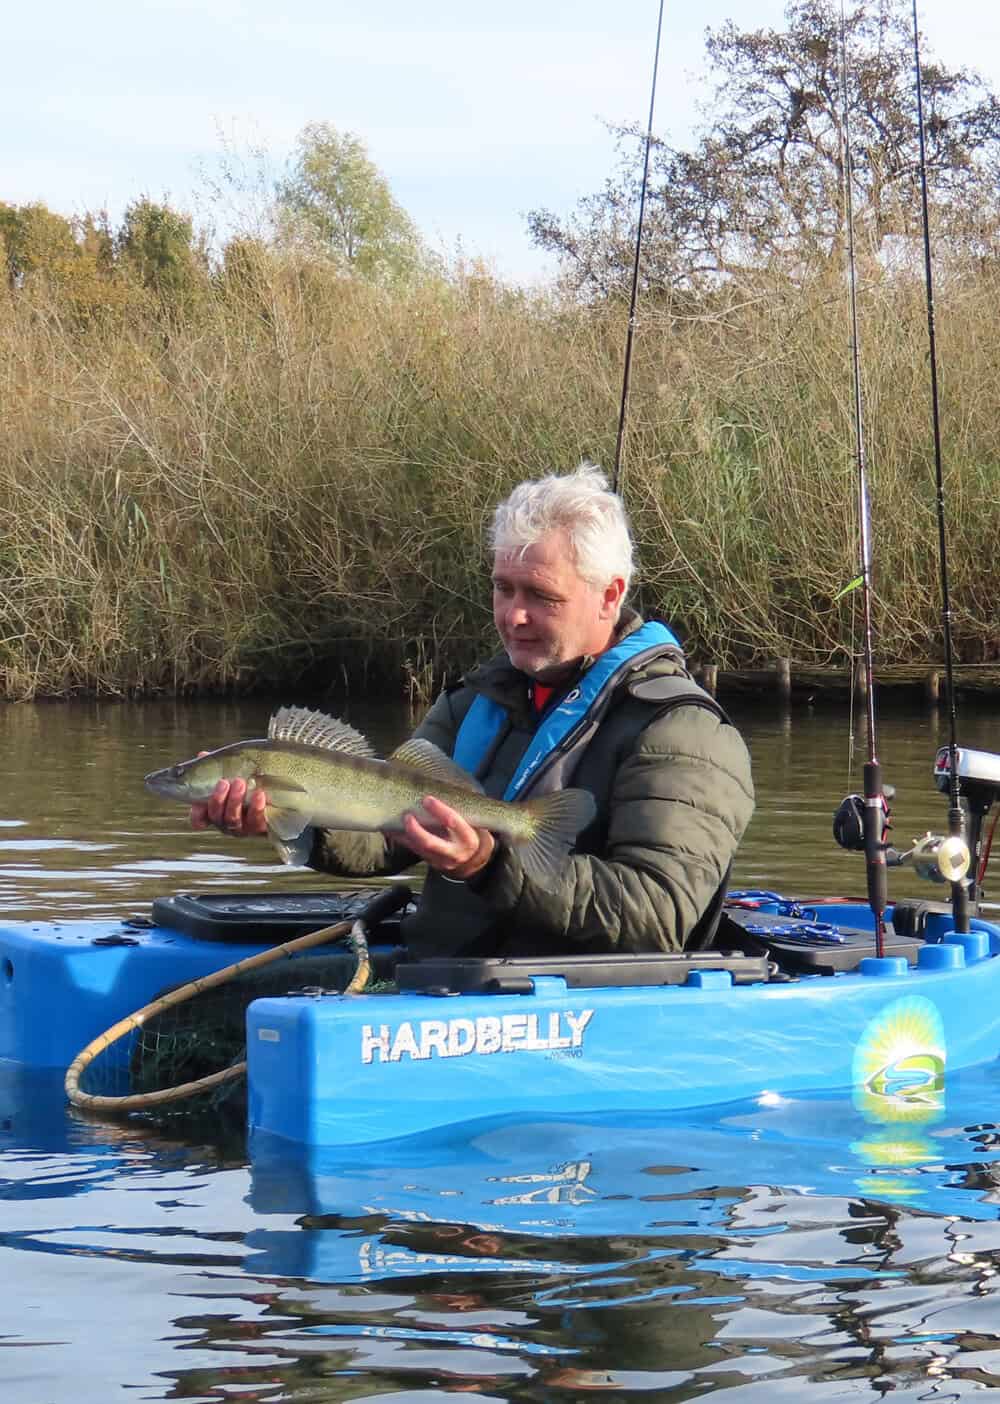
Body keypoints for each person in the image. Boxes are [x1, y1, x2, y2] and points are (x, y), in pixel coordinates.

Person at [191, 465, 754, 958]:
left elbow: (657, 915)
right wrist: (294, 821)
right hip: (444, 985)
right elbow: (387, 838)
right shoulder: (476, 701)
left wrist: (489, 867)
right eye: (503, 589)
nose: (514, 617)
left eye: (541, 596)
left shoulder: (683, 731)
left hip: (579, 1014)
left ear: (610, 596)